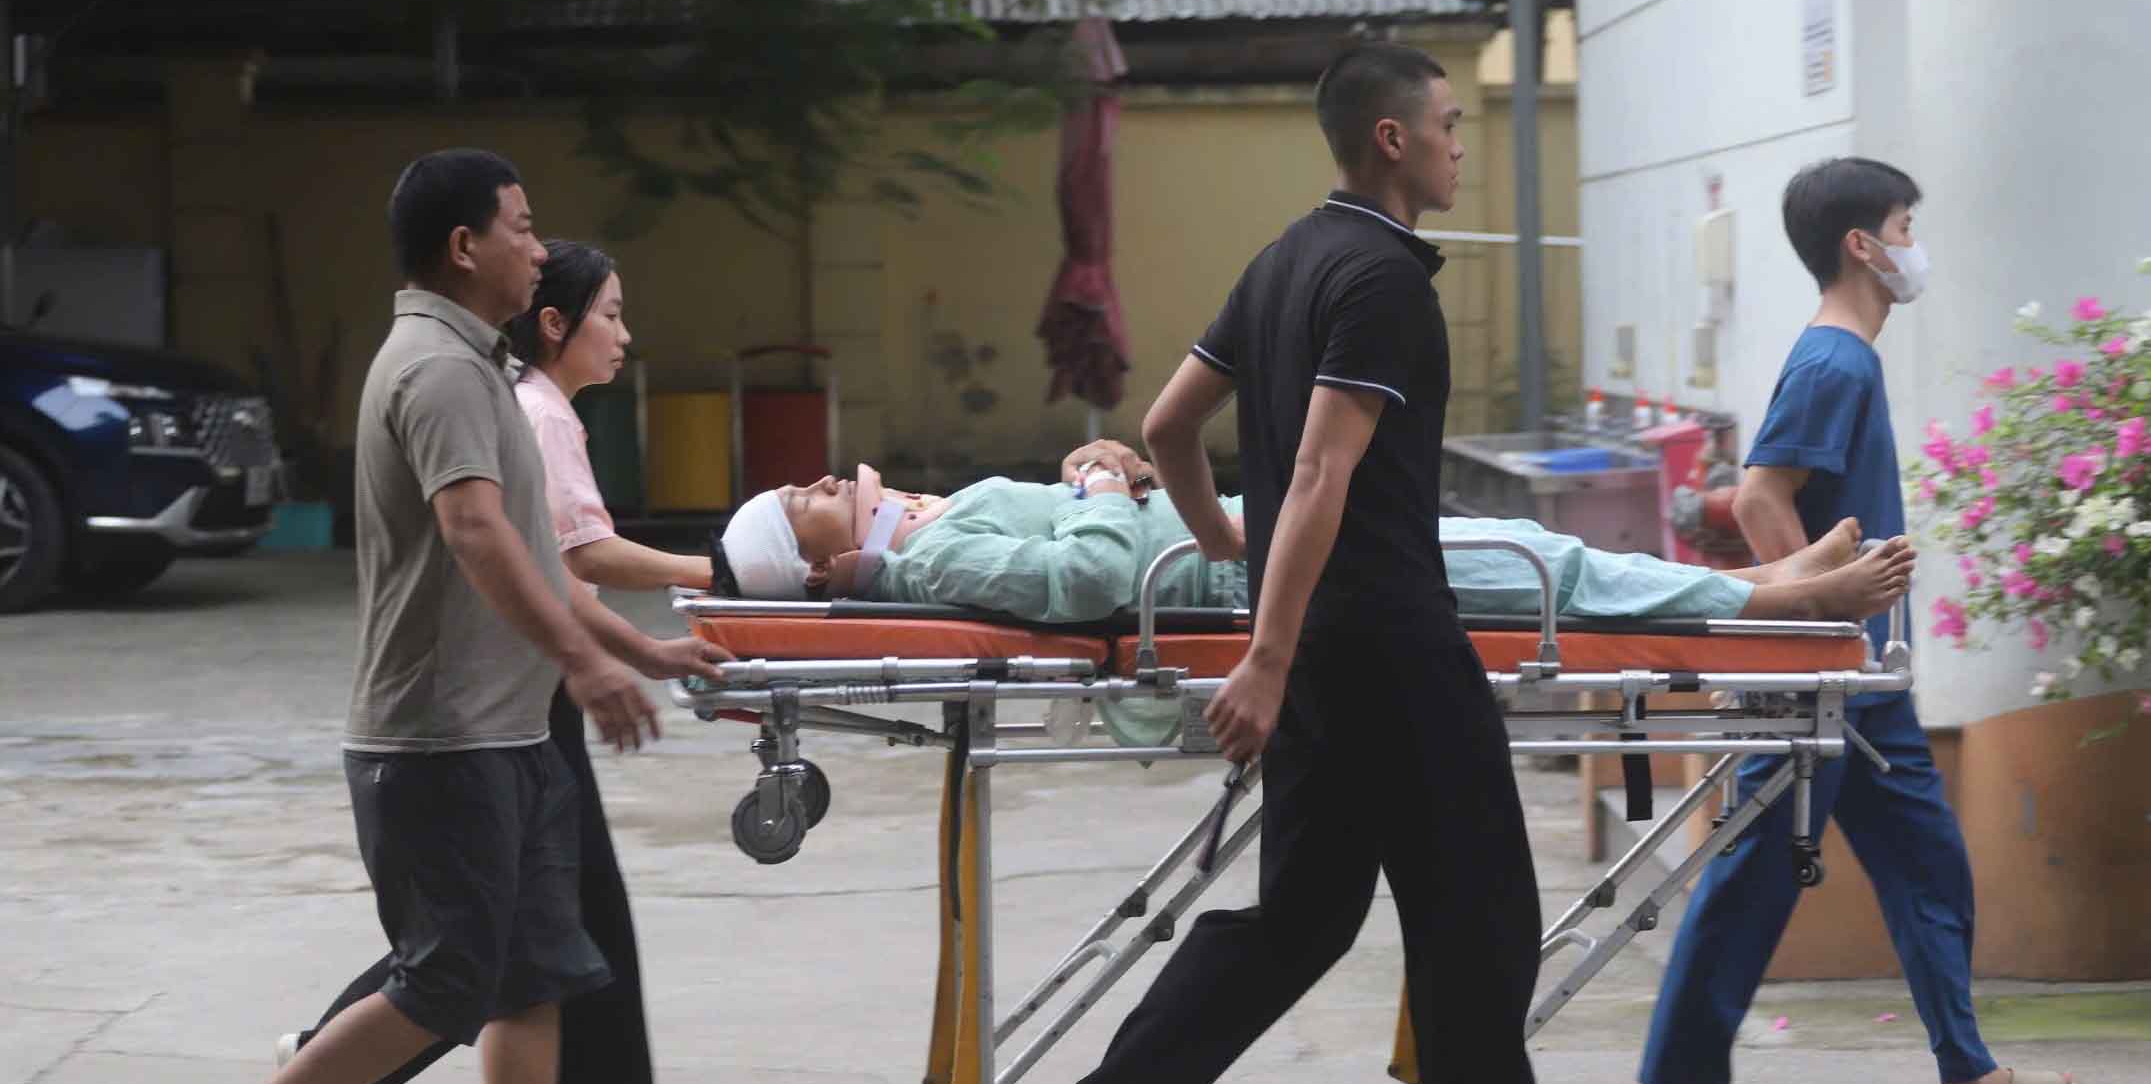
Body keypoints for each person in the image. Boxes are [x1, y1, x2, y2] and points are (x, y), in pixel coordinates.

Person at [984, 42, 1648, 1084]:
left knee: (1297, 921)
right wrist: (1264, 652)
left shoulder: (1285, 259)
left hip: (1331, 658)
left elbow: (1170, 424)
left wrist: (1220, 546)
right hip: (1390, 647)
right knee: (1483, 920)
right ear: (1391, 140)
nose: (1462, 140)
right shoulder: (1382, 278)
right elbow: (1323, 473)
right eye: (1449, 123)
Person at [155, 150, 673, 1084]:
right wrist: (582, 664)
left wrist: (636, 647)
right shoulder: (435, 369)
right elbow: (478, 535)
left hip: (505, 730)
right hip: (436, 739)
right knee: (449, 979)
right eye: (524, 228)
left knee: (532, 973)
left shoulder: (483, 366)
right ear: (464, 246)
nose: (540, 250)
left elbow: (546, 550)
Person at [1631, 157, 2085, 1084]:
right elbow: (1758, 496)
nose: (1916, 243)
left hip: (1859, 674)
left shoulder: (1848, 359)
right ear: (1861, 246)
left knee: (1928, 863)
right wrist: (1809, 610)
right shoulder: (1834, 361)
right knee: (1755, 866)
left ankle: (1969, 1079)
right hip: (1827, 667)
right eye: (1904, 222)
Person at [276, 240, 722, 1084]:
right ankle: (328, 1078)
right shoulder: (517, 406)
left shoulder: (525, 402)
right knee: (495, 944)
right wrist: (704, 576)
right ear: (553, 323)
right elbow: (577, 560)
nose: (625, 334)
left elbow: (565, 576)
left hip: (523, 693)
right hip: (494, 708)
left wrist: (640, 652)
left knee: (534, 930)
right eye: (611, 312)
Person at [717, 450, 1915, 626]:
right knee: (1522, 573)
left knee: (1503, 545)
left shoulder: (927, 531)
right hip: (1240, 569)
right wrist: (1097, 476)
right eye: (798, 501)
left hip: (1230, 535)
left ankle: (1755, 575)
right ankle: (1765, 603)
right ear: (820, 562)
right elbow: (1085, 576)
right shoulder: (929, 558)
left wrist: (1110, 479)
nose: (815, 479)